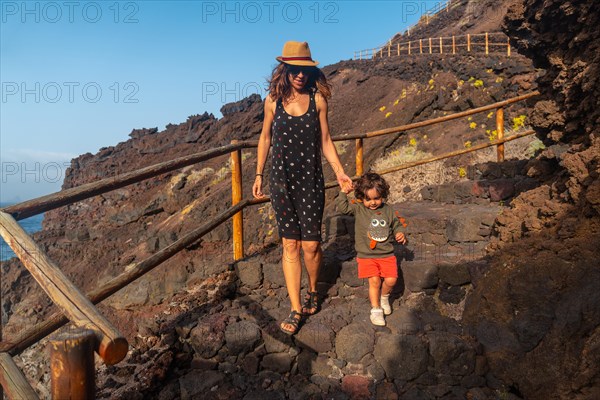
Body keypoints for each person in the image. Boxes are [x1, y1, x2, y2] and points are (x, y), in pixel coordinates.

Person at [252, 41, 353, 335]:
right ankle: (296, 308)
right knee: (290, 244)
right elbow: (265, 138)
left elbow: (325, 141)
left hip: (311, 180)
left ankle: (312, 289)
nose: (300, 75)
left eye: (305, 70)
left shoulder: (318, 99)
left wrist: (341, 172)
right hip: (281, 180)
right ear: (285, 69)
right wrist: (258, 173)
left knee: (311, 245)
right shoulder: (272, 101)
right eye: (295, 69)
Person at [335, 172, 407, 326]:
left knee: (391, 280)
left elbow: (396, 224)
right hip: (366, 255)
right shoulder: (359, 208)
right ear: (361, 197)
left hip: (386, 254)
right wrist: (343, 192)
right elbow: (343, 207)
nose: (373, 202)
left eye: (377, 198)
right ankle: (376, 310)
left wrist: (400, 232)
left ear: (383, 195)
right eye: (368, 199)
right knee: (374, 281)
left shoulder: (387, 210)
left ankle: (384, 297)